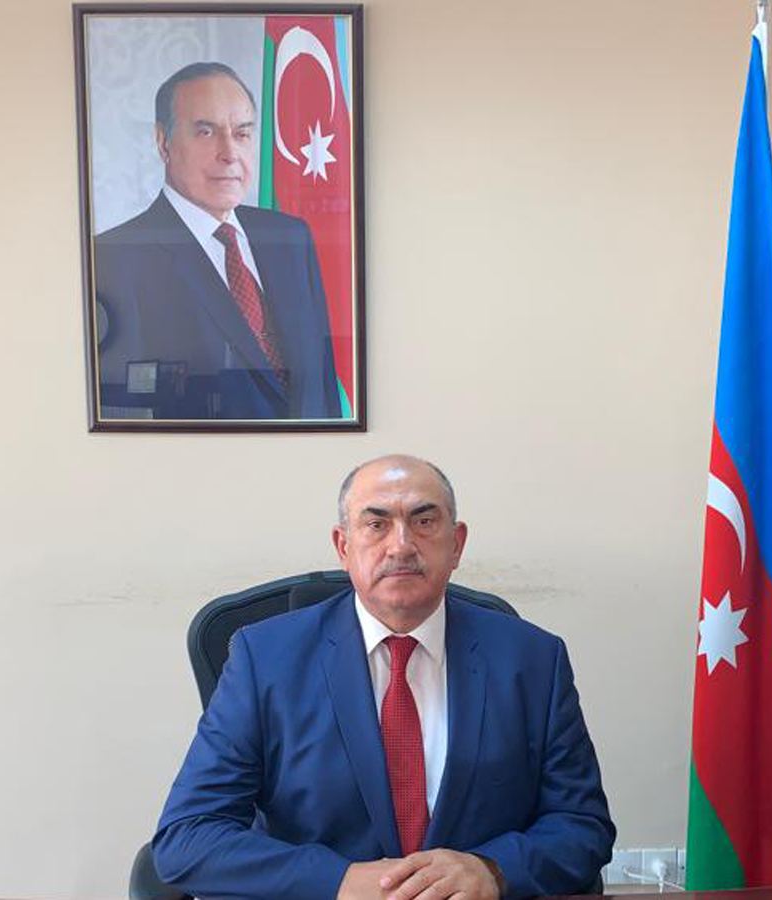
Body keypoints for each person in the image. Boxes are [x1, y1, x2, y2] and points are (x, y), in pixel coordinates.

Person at [152, 454, 615, 899]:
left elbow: (582, 826)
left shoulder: (533, 659)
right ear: (343, 546)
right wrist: (338, 882)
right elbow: (188, 836)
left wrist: (494, 869)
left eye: (424, 521)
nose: (401, 545)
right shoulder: (265, 659)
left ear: (456, 544)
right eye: (376, 525)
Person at [93, 62, 341, 421]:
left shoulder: (290, 237)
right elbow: (122, 414)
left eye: (242, 133)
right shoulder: (114, 258)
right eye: (206, 132)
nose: (229, 153)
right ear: (163, 142)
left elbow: (323, 387)